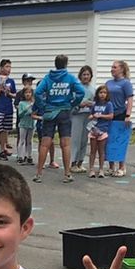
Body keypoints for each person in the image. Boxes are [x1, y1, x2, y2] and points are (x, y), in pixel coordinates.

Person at [32, 54, 86, 183]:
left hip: (50, 111)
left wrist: (43, 105)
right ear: (66, 64)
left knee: (45, 143)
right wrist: (73, 103)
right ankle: (67, 174)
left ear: (55, 64)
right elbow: (81, 92)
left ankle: (39, 173)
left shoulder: (48, 77)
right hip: (64, 111)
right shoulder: (70, 78)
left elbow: (38, 92)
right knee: (65, 143)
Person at [102, 61, 135, 177]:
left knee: (119, 139)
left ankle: (122, 166)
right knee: (108, 139)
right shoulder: (108, 83)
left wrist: (128, 115)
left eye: (115, 67)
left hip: (120, 113)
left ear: (121, 69)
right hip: (109, 113)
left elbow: (130, 99)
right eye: (111, 67)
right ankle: (111, 166)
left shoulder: (126, 83)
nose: (112, 69)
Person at [85, 84, 114, 178]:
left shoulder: (108, 104)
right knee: (93, 150)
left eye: (104, 93)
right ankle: (91, 169)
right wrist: (93, 116)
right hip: (94, 129)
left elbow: (111, 116)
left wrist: (101, 116)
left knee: (102, 151)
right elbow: (90, 115)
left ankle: (101, 169)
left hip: (103, 130)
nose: (102, 94)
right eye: (101, 92)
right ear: (97, 94)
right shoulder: (95, 104)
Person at [14, 83, 37, 164]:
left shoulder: (34, 103)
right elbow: (20, 114)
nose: (28, 94)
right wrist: (27, 109)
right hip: (23, 124)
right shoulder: (21, 103)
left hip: (31, 123)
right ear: (23, 94)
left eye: (29, 92)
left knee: (29, 140)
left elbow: (35, 112)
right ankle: (20, 156)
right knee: (22, 140)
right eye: (26, 93)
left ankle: (29, 156)